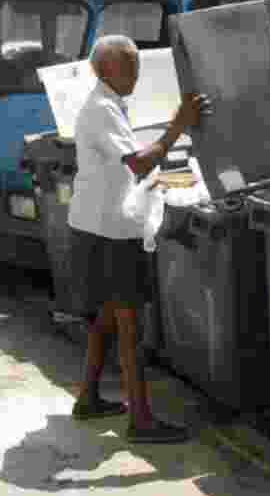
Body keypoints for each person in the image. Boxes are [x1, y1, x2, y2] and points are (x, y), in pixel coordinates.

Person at [67, 35, 210, 444]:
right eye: (126, 66)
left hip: (101, 224)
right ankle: (142, 420)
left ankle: (89, 398)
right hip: (110, 230)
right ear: (102, 70)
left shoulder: (110, 104)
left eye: (136, 64)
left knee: (107, 317)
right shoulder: (102, 109)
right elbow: (138, 163)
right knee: (129, 323)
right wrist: (178, 126)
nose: (135, 73)